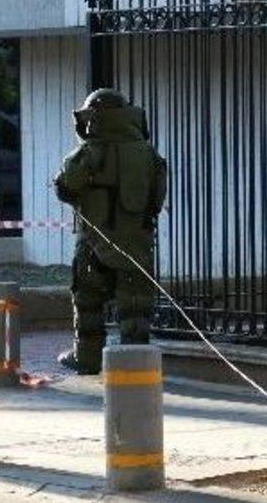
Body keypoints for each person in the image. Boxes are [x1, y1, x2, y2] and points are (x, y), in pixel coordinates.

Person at [53, 88, 167, 374]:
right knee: (136, 307)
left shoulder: (88, 153)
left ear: (95, 118)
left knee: (88, 302)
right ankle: (135, 365)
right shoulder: (148, 154)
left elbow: (66, 188)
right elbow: (157, 197)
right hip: (138, 241)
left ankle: (87, 358)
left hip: (93, 241)